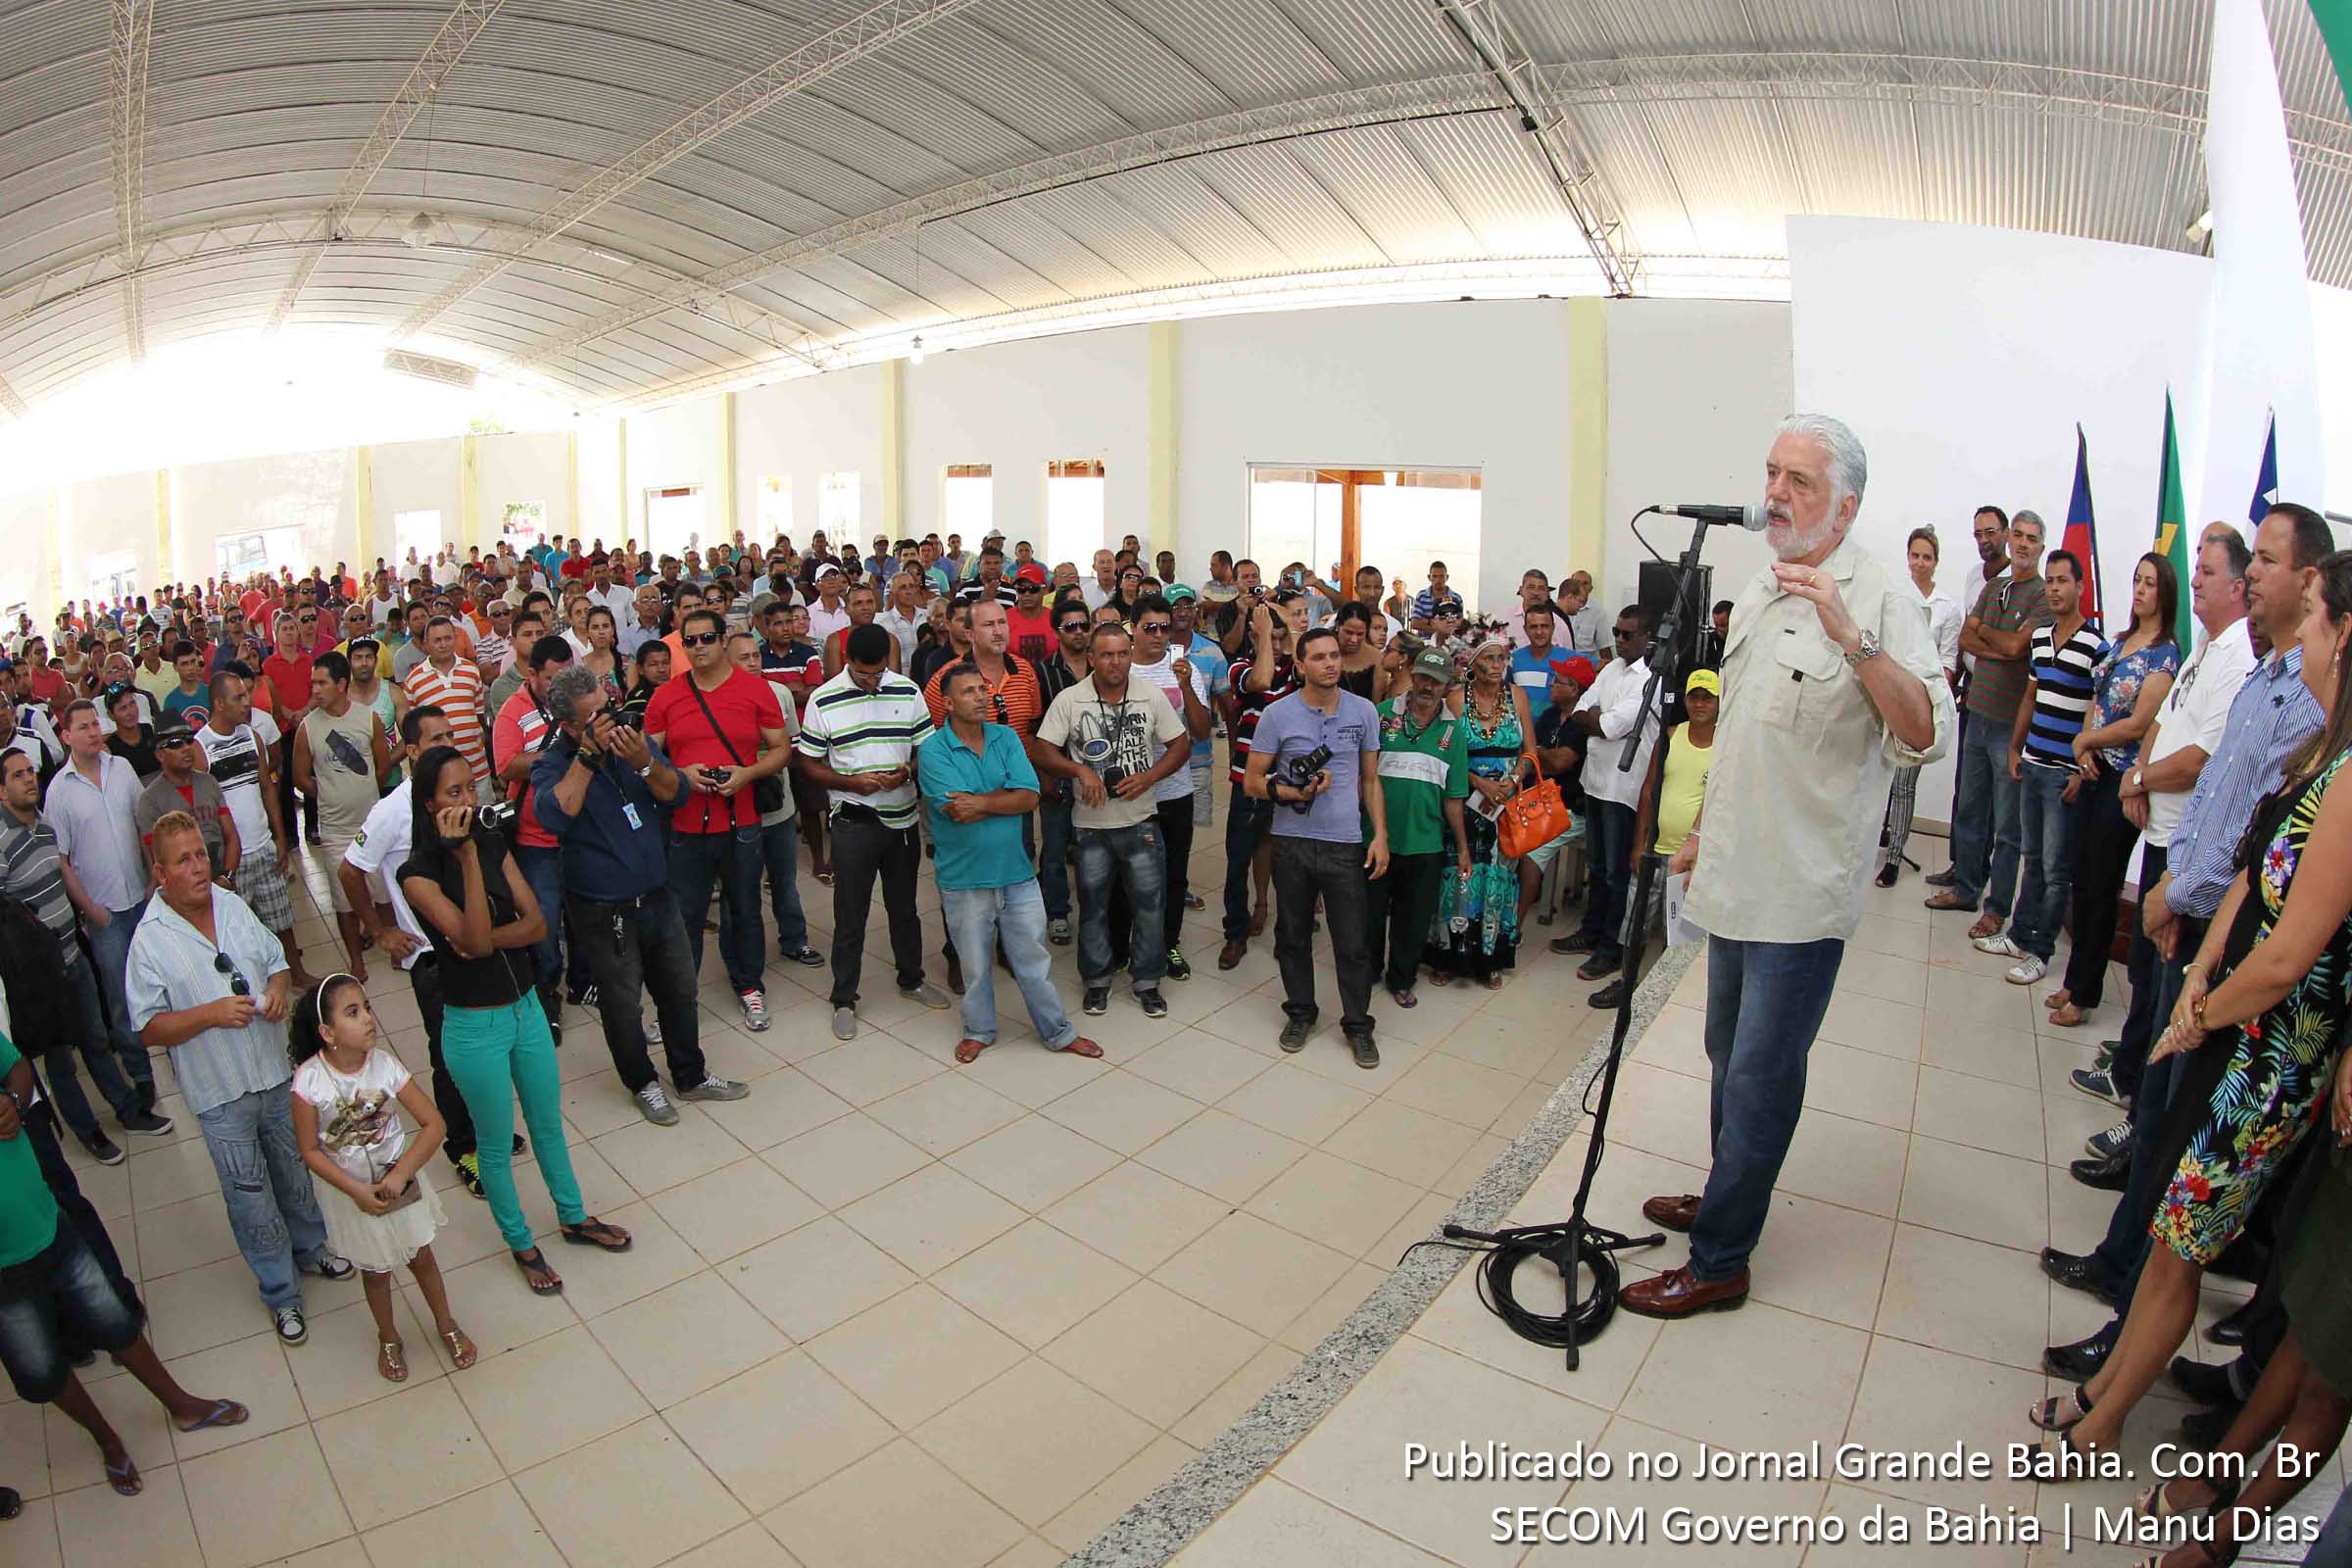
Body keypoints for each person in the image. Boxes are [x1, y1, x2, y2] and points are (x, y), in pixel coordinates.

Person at [1623, 414, 1950, 1320]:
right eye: (1771, 473)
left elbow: (1923, 732)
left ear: (1845, 507)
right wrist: (1700, 836)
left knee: (1763, 1077)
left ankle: (1723, 1257)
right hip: (1735, 873)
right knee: (1726, 1059)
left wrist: (1852, 636)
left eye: (1799, 481)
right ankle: (1730, 1190)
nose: (1774, 494)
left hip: (1800, 897)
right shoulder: (1763, 583)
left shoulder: (1878, 593)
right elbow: (1744, 732)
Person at [2032, 548, 2352, 1471]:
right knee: (2174, 1234)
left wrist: (2201, 1012)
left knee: (2181, 1246)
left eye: (2321, 616)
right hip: (2234, 1021)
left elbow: (2293, 953)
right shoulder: (2322, 748)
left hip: (2270, 1058)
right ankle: (2105, 1392)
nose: (2310, 641)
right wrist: (2210, 963)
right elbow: (2257, 868)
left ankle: (2105, 1420)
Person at [397, 747, 631, 1298]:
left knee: (549, 1125)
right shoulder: (417, 875)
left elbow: (534, 925)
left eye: (469, 789)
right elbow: (473, 939)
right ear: (428, 803)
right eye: (452, 793)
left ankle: (573, 1217)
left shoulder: (493, 840)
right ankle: (522, 1243)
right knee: (496, 1145)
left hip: (526, 1007)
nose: (466, 800)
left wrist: (476, 940)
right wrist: (469, 864)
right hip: (474, 1027)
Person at [126, 812, 353, 1343]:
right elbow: (146, 1028)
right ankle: (280, 1291)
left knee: (294, 1172)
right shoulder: (149, 942)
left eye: (201, 854)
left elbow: (274, 959)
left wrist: (276, 991)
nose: (199, 867)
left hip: (271, 1074)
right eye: (183, 860)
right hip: (220, 1095)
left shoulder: (230, 904)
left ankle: (313, 1249)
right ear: (160, 873)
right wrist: (208, 1014)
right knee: (249, 1195)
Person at [0, 1025, 252, 1500]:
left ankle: (181, 1405)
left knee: (114, 1318)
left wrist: (14, 1100)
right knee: (42, 1370)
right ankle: (108, 1440)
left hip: (47, 1224)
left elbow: (16, 1066)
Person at [535, 665, 750, 1123]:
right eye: (595, 717)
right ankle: (643, 1083)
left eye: (608, 708)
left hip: (657, 894)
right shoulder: (553, 760)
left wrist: (644, 764)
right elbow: (557, 815)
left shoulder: (631, 741)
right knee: (622, 1002)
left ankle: (690, 1075)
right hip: (601, 910)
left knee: (679, 989)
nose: (609, 721)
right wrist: (589, 757)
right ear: (572, 725)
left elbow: (675, 795)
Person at [341, 705, 517, 1201]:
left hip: (479, 944)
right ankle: (463, 1146)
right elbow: (351, 870)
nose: (445, 746)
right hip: (433, 957)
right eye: (433, 739)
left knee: (487, 1048)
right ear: (412, 751)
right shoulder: (392, 810)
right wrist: (381, 932)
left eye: (450, 735)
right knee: (450, 1055)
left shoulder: (461, 802)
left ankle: (490, 1133)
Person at [288, 973, 477, 1382]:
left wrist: (401, 1175)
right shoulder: (308, 1081)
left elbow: (433, 1124)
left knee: (421, 1257)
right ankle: (388, 1336)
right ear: (327, 1031)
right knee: (376, 1272)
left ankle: (446, 1323)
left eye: (367, 1008)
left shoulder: (386, 1066)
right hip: (350, 1192)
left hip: (400, 1183)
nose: (368, 1018)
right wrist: (357, 1190)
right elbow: (309, 1151)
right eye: (353, 1013)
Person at [918, 662, 1100, 1064]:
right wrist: (1003, 798)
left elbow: (1029, 797)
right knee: (976, 966)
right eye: (968, 692)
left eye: (982, 690)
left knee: (1033, 960)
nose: (981, 697)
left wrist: (982, 801)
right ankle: (979, 1030)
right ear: (947, 703)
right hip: (963, 878)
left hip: (1016, 871)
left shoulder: (1005, 737)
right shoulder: (932, 750)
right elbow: (955, 808)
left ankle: (1057, 1032)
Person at [1, 751, 174, 1163]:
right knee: (61, 1060)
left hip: (72, 953)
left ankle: (128, 1110)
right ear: (2, 788)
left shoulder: (44, 827)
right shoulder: (2, 841)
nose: (29, 780)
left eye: (31, 772)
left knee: (96, 1038)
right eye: (18, 775)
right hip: (37, 975)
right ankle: (89, 1132)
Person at [2045, 553, 2180, 1026]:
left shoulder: (2164, 655)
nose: (2140, 590)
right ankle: (2073, 979)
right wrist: (2083, 754)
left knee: (2102, 886)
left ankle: (2084, 993)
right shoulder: (2121, 643)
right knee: (2081, 881)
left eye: (2149, 583)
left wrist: (2087, 741)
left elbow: (2139, 723)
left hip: (2123, 782)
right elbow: (2097, 702)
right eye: (2136, 580)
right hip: (2092, 771)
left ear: (2165, 591)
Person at [643, 606, 793, 1032]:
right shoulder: (667, 695)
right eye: (689, 641)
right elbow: (644, 756)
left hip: (741, 820)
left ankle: (749, 986)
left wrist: (748, 773)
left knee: (743, 908)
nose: (698, 648)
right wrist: (678, 775)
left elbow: (782, 749)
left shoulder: (756, 690)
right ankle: (675, 1001)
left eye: (706, 638)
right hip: (687, 825)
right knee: (683, 915)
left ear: (723, 639)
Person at [1244, 624, 1388, 1064]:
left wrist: (1379, 835)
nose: (1330, 664)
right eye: (1319, 657)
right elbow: (1252, 782)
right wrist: (1293, 794)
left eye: (1334, 656)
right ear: (1300, 665)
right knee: (1292, 935)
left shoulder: (1363, 711)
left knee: (1353, 942)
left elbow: (1370, 779)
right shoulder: (1277, 714)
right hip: (1292, 842)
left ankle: (1358, 1025)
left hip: (1345, 842)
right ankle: (1301, 1012)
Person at [1032, 620, 1190, 1018]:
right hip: (1090, 825)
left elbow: (1181, 744)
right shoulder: (1071, 699)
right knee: (1094, 907)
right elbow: (1041, 749)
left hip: (1142, 820)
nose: (1116, 662)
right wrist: (1079, 771)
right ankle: (1097, 981)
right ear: (1091, 658)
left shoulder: (1150, 696)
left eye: (1122, 653)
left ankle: (1147, 982)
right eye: (1106, 654)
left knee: (1151, 907)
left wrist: (1152, 775)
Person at [798, 622, 948, 1040]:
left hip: (901, 819)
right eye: (864, 675)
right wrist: (851, 784)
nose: (871, 682)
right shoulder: (824, 699)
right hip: (853, 821)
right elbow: (808, 762)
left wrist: (907, 771)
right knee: (851, 914)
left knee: (905, 908)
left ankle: (911, 979)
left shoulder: (907, 690)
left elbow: (926, 750)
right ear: (848, 662)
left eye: (878, 673)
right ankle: (844, 997)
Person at [1973, 549, 2105, 986]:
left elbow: (2097, 709)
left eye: (2062, 580)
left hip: (2063, 774)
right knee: (2031, 858)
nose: (2054, 588)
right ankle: (2018, 933)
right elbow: (2030, 697)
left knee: (2055, 869)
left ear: (2080, 587)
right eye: (2049, 581)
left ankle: (2040, 949)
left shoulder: (2095, 646)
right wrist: (2015, 748)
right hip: (2031, 763)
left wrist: (2078, 767)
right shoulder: (2043, 636)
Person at [1932, 510, 2052, 935]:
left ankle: (1997, 907)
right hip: (1977, 712)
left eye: (2030, 538)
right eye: (2017, 535)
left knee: (2006, 827)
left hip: (2008, 723)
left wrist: (1995, 642)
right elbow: (1966, 637)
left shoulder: (2041, 596)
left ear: (2040, 546)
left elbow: (2021, 647)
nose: (2021, 544)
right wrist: (2000, 645)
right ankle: (1966, 889)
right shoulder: (1995, 586)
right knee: (1968, 809)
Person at [44, 700, 164, 1115]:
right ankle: (142, 1074)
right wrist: (91, 911)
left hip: (142, 898)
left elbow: (142, 826)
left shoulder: (123, 770)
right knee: (119, 999)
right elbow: (60, 859)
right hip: (105, 914)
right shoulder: (59, 792)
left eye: (96, 724)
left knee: (160, 980)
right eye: (84, 726)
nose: (94, 732)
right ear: (66, 736)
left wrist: (153, 877)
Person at [1591, 668, 1720, 1009]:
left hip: (1691, 860)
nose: (1700, 704)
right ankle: (1626, 983)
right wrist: (1638, 844)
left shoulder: (1726, 747)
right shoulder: (1671, 735)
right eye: (1694, 696)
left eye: (1708, 698)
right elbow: (1648, 792)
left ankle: (1669, 995)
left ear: (1720, 703)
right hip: (1655, 851)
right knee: (1635, 923)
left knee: (1679, 931)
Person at [1547, 606, 1657, 982]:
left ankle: (1611, 948)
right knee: (1596, 867)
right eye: (1617, 632)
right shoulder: (1610, 669)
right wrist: (1596, 720)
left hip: (1622, 788)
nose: (1620, 640)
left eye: (1628, 635)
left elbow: (1608, 725)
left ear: (1647, 638)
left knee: (1615, 873)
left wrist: (1596, 720)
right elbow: (1581, 709)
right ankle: (1590, 932)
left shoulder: (1650, 681)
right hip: (1594, 781)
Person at [1423, 637, 1537, 990]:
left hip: (1504, 802)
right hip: (1462, 798)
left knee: (1497, 876)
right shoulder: (1456, 698)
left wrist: (1513, 780)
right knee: (1458, 872)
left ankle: (1490, 957)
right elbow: (1441, 750)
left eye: (1501, 657)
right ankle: (1447, 955)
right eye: (1488, 657)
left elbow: (1530, 752)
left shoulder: (1517, 696)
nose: (1496, 663)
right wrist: (1476, 782)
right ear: (1472, 664)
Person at [1367, 648, 1471, 1008]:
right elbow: (1364, 778)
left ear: (1447, 687)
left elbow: (1454, 797)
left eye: (1437, 681)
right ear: (1412, 674)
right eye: (1424, 676)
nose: (1428, 686)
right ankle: (1364, 973)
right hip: (1376, 839)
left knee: (1412, 921)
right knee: (1369, 913)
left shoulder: (1453, 732)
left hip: (1425, 842)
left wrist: (1462, 847)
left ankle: (1401, 978)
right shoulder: (1380, 716)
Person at [195, 668, 311, 988]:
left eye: (248, 694)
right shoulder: (200, 748)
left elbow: (267, 788)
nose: (248, 702)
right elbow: (204, 813)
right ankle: (253, 985)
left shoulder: (252, 736)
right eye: (239, 697)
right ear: (219, 704)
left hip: (263, 846)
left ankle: (295, 974)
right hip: (233, 858)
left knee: (282, 919)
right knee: (239, 928)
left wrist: (281, 836)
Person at [1218, 589, 1305, 968]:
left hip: (1287, 781)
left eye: (1279, 634)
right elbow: (1262, 677)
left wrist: (1286, 625)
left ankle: (1279, 923)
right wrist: (1264, 633)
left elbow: (1304, 669)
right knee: (1238, 860)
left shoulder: (1294, 669)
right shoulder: (1239, 667)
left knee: (1287, 862)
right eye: (1267, 633)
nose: (1276, 640)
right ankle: (1235, 934)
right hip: (1246, 782)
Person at [1125, 597, 1212, 979]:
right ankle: (1130, 943)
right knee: (1128, 873)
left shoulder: (1184, 669)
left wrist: (1185, 686)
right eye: (1150, 628)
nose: (1159, 635)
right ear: (1134, 628)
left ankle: (1168, 943)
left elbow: (1202, 730)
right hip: (1131, 792)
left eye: (1165, 628)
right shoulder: (1120, 668)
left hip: (1175, 791)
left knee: (1174, 873)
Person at [294, 650, 394, 978]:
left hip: (370, 824)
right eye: (313, 683)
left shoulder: (367, 719)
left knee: (382, 892)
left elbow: (382, 767)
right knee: (343, 901)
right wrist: (330, 794)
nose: (315, 690)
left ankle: (393, 946)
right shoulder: (308, 728)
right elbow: (300, 777)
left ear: (341, 684)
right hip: (335, 829)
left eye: (322, 683)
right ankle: (356, 960)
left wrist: (362, 790)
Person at [1878, 525, 1964, 886]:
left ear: (1936, 562)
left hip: (1920, 702)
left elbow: (1946, 663)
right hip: (1887, 696)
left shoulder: (1947, 609)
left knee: (1904, 784)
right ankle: (1875, 841)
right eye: (1915, 555)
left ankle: (1895, 856)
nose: (1920, 562)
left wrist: (1921, 696)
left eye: (1927, 557)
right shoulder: (1893, 596)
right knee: (1879, 779)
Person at [133, 719, 238, 882]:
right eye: (176, 744)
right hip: (183, 892)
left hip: (223, 881)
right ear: (160, 754)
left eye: (189, 740)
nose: (186, 748)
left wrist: (226, 878)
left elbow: (232, 836)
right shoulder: (149, 800)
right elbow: (156, 859)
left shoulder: (209, 782)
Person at [101, 683, 160, 780]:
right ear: (111, 715)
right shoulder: (110, 748)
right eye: (123, 708)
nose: (130, 712)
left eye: (132, 703)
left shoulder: (149, 730)